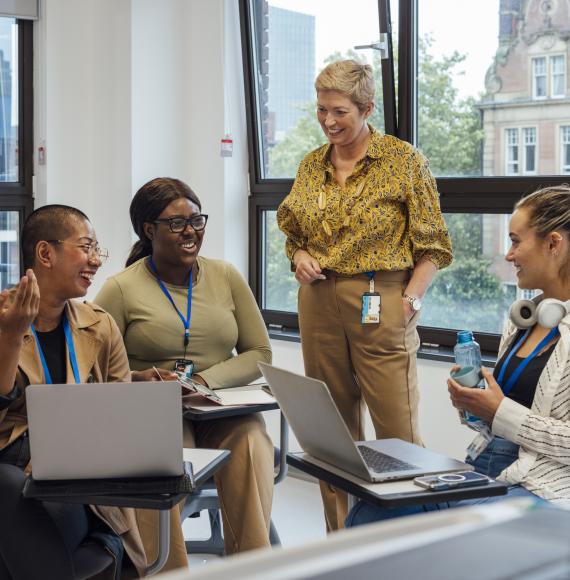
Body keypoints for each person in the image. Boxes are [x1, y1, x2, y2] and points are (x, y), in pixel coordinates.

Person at [276, 59, 453, 530]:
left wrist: (410, 301)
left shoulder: (403, 161)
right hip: (317, 298)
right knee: (331, 430)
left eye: (340, 112)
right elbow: (293, 232)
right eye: (321, 111)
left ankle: (406, 536)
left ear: (367, 108)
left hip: (382, 295)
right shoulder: (312, 164)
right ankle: (342, 537)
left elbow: (433, 244)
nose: (329, 122)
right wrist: (299, 256)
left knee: (397, 429)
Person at [346, 185, 570, 527]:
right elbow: (497, 416)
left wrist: (499, 411)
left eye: (515, 241)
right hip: (490, 466)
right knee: (376, 508)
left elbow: (511, 416)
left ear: (553, 244)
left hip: (545, 487)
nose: (509, 255)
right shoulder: (524, 318)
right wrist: (474, 404)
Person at [95, 177, 274, 570]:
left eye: (197, 220)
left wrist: (205, 382)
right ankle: (168, 572)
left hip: (219, 410)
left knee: (251, 441)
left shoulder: (226, 275)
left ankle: (252, 568)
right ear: (149, 229)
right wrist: (144, 380)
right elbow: (97, 367)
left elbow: (259, 351)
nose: (191, 231)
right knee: (163, 451)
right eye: (177, 224)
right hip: (154, 412)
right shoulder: (121, 289)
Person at [0, 205, 147, 579]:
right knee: (10, 487)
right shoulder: (3, 318)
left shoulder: (100, 325)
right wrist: (11, 335)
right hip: (15, 463)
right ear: (46, 254)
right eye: (87, 247)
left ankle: (102, 544)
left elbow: (122, 413)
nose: (96, 261)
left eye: (98, 250)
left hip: (79, 471)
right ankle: (102, 549)